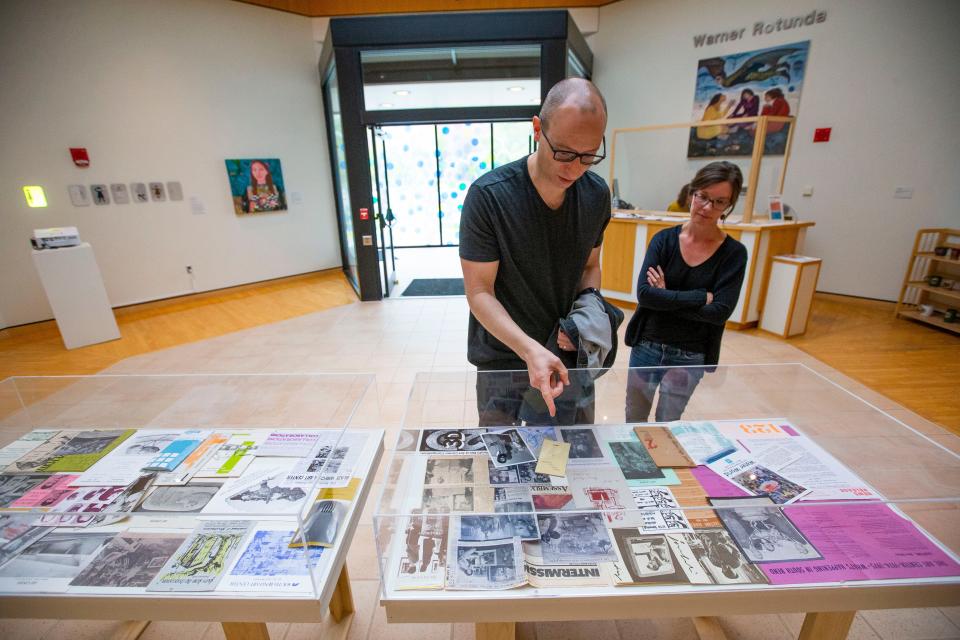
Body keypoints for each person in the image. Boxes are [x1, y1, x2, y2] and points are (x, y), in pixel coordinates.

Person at [459, 78, 610, 425]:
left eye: (588, 156)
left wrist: (585, 321)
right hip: (503, 356)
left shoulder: (596, 195)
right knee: (503, 460)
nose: (574, 169)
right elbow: (479, 291)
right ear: (538, 129)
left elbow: (590, 266)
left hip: (566, 355)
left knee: (564, 459)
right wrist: (530, 350)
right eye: (565, 153)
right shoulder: (489, 197)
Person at [624, 161, 748, 422]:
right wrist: (700, 297)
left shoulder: (734, 254)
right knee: (634, 419)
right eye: (702, 197)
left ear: (728, 206)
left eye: (719, 202)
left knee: (668, 424)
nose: (706, 208)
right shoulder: (664, 240)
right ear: (693, 193)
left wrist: (666, 296)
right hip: (647, 344)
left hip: (691, 354)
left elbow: (719, 312)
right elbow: (646, 295)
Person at [761, 88, 791, 152]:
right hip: (776, 120)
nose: (765, 99)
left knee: (757, 130)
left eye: (767, 97)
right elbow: (766, 115)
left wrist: (766, 108)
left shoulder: (778, 101)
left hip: (779, 121)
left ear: (772, 96)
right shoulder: (776, 102)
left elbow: (772, 114)